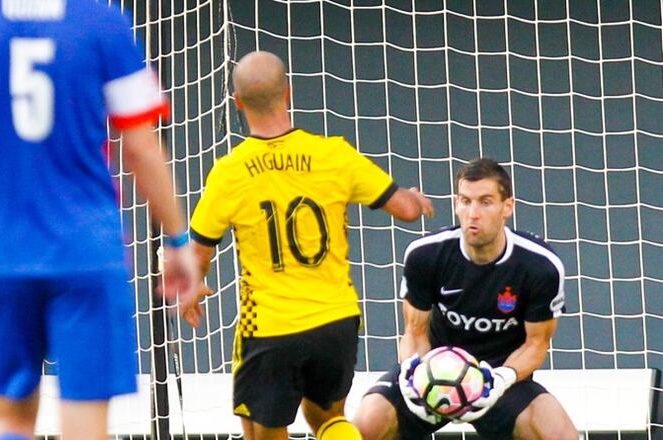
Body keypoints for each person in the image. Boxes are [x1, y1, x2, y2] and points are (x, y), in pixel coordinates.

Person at [0, 1, 198, 439]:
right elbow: (142, 148)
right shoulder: (102, 19)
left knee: (10, 421)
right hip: (87, 253)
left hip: (0, 251)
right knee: (85, 427)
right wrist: (178, 243)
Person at [180, 50, 434, 440]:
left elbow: (198, 250)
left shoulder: (229, 173)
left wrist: (193, 285)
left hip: (271, 327)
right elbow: (404, 209)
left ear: (238, 103)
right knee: (329, 419)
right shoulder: (334, 155)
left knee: (259, 429)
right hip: (336, 321)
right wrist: (415, 199)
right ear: (289, 94)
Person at [353, 158, 578, 440]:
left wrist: (501, 379)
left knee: (560, 435)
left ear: (507, 206)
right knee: (364, 424)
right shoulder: (425, 254)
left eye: (485, 202)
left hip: (498, 377)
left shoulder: (540, 266)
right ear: (456, 204)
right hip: (433, 371)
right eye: (465, 201)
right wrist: (413, 374)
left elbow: (536, 344)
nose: (473, 213)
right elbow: (415, 331)